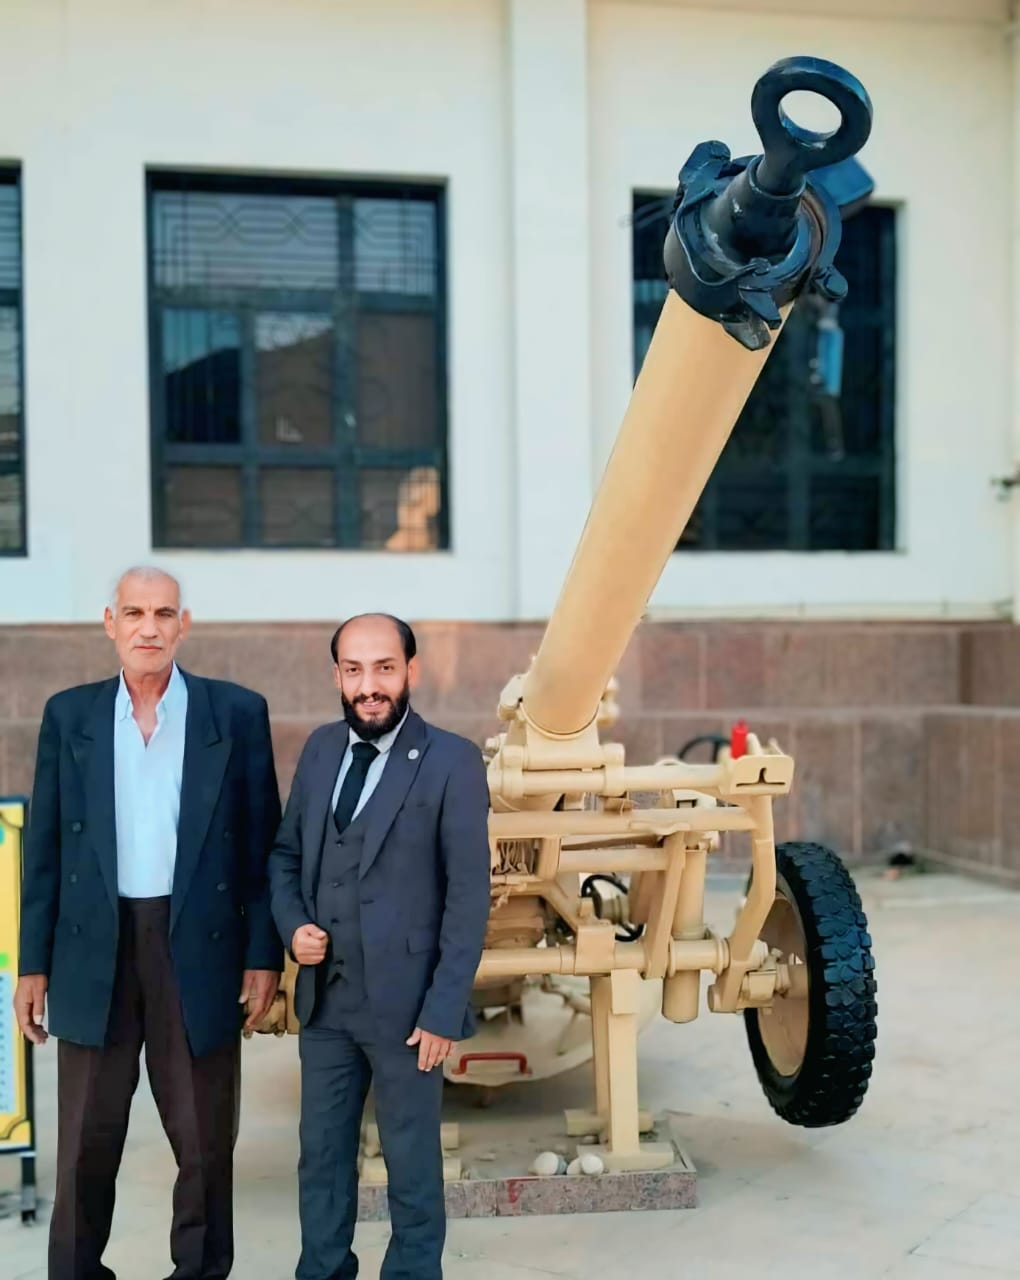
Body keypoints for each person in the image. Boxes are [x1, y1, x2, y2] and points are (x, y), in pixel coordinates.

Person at [14, 565, 283, 1280]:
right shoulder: (69, 715)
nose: (149, 628)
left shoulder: (236, 713)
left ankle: (199, 1272)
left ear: (183, 625)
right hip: (91, 948)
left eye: (164, 614)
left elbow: (263, 846)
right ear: (111, 623)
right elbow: (45, 851)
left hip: (199, 945)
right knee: (84, 1143)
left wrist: (263, 955)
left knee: (203, 1142)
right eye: (134, 613)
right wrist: (32, 964)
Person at [268, 612, 491, 1280]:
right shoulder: (320, 750)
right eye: (355, 670)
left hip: (409, 1010)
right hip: (326, 1005)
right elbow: (285, 857)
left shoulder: (452, 760)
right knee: (321, 1160)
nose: (370, 686)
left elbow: (467, 897)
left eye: (384, 668)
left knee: (411, 1165)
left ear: (411, 671)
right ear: (337, 676)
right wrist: (294, 926)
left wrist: (443, 1010)